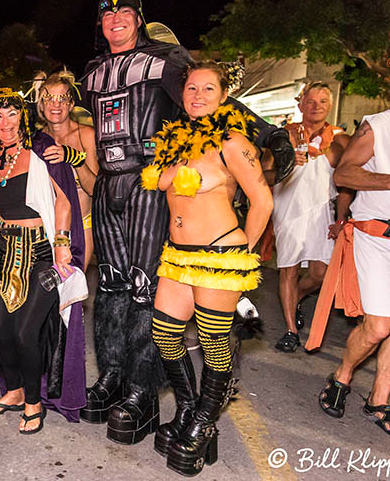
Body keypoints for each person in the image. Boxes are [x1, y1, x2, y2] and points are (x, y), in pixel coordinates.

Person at [80, 0, 291, 445]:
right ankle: (113, 376)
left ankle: (142, 393)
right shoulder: (91, 72)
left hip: (151, 184)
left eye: (125, 14)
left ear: (139, 20)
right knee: (111, 287)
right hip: (109, 187)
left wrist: (267, 133)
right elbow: (64, 116)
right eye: (107, 15)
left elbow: (207, 100)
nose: (115, 21)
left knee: (143, 289)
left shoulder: (164, 61)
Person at [141, 62, 272, 475]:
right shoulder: (175, 143)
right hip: (178, 256)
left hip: (219, 256)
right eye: (191, 88)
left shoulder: (232, 141)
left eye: (208, 88)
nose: (197, 95)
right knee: (164, 333)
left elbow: (263, 201)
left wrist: (241, 257)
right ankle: (187, 408)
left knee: (215, 345)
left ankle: (204, 423)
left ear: (223, 95)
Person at [0, 89, 88, 433]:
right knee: (0, 331)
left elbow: (64, 204)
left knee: (28, 333)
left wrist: (61, 245)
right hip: (4, 253)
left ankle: (33, 401)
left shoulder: (38, 153)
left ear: (22, 117)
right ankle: (12, 391)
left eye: (12, 114)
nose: (5, 123)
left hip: (41, 253)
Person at [317, 65, 390, 442]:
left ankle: (378, 401)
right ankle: (342, 375)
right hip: (377, 236)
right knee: (379, 327)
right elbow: (343, 174)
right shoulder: (381, 126)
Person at [265, 82, 352, 352]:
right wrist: (285, 167)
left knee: (320, 273)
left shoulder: (340, 139)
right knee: (289, 269)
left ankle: (296, 299)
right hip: (288, 210)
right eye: (311, 102)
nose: (316, 107)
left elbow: (349, 175)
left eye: (322, 102)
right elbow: (262, 176)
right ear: (300, 105)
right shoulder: (281, 137)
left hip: (320, 212)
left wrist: (341, 218)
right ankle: (291, 330)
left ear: (330, 106)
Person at [37, 69, 99, 264]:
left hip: (81, 227)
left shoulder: (87, 135)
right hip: (47, 229)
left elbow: (94, 189)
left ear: (71, 104)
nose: (56, 105)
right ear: (41, 104)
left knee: (73, 290)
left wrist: (75, 159)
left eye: (62, 99)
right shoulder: (37, 141)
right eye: (49, 99)